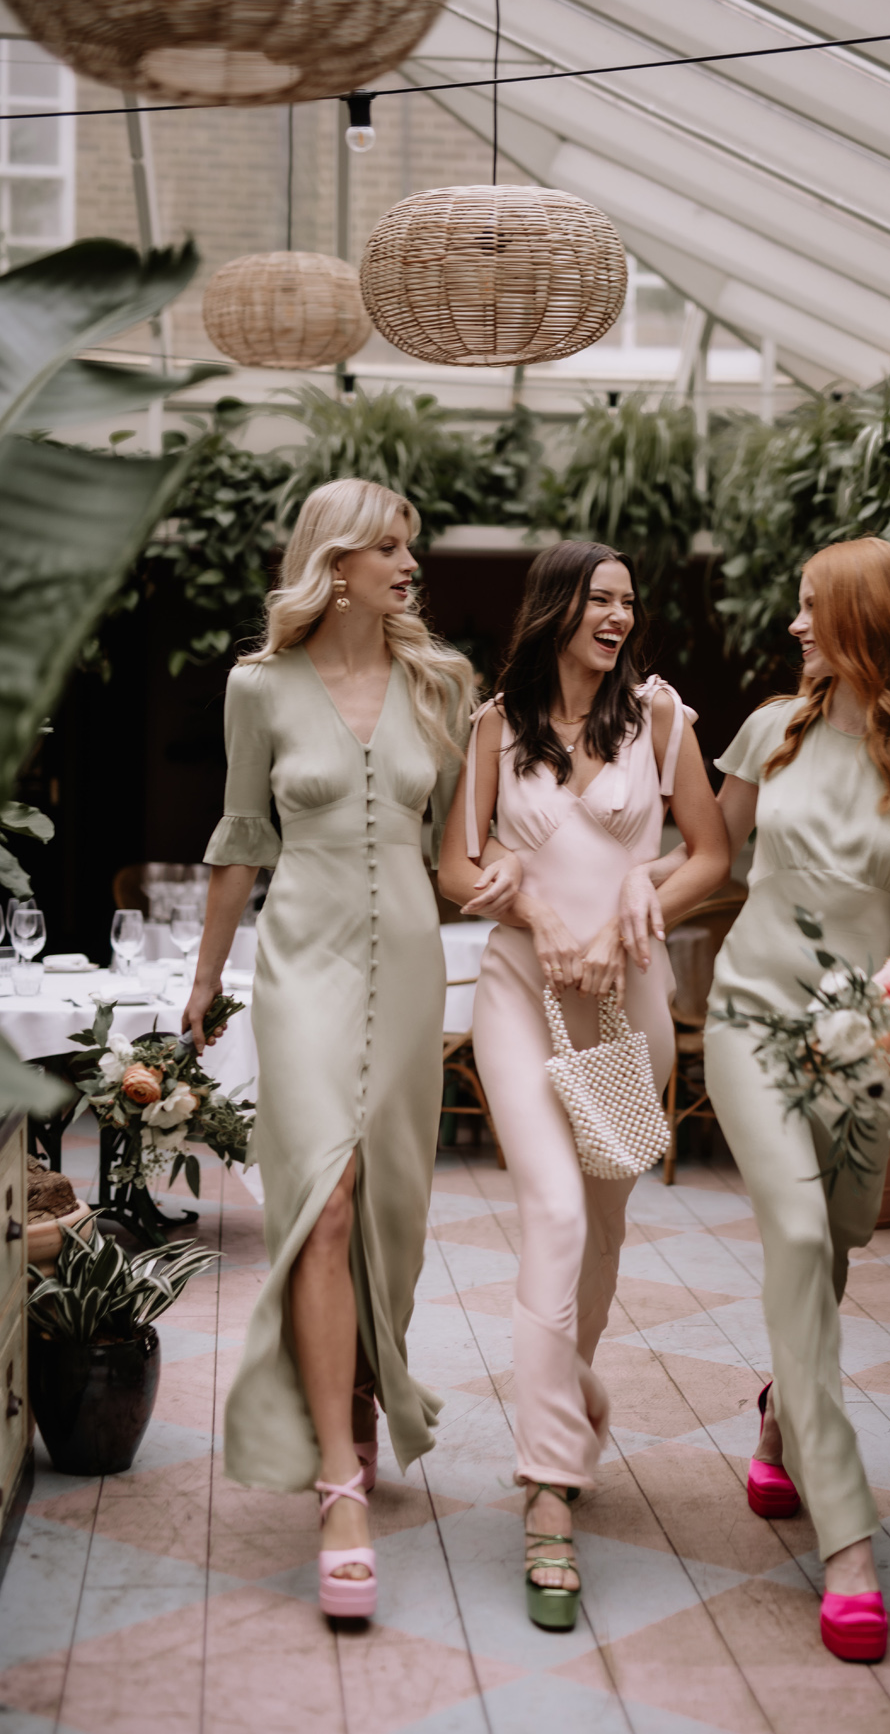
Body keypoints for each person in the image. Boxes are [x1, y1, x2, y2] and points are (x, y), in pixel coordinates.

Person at [620, 537, 890, 1663]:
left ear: (864, 619)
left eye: (808, 609)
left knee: (835, 1240)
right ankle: (849, 1543)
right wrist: (598, 892)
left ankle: (783, 1413)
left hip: (864, 1024)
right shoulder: (768, 732)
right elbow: (709, 856)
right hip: (751, 1007)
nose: (793, 628)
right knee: (794, 1227)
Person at [184, 479, 517, 1621]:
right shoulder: (259, 687)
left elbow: (464, 852)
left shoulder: (444, 687)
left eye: (408, 547)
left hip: (414, 970)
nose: (409, 564)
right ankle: (337, 1484)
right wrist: (204, 981)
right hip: (303, 969)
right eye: (389, 547)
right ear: (334, 562)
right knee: (321, 1203)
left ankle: (363, 1383)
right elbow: (238, 841)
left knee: (391, 1211)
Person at [438, 541, 728, 1631]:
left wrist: (645, 899)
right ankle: (549, 1491)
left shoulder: (660, 722)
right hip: (521, 999)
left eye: (628, 602)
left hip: (628, 1009)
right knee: (553, 1212)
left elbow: (709, 853)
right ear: (558, 608)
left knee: (599, 1237)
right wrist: (543, 913)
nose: (619, 615)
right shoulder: (492, 726)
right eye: (600, 599)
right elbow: (458, 870)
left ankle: (571, 1390)